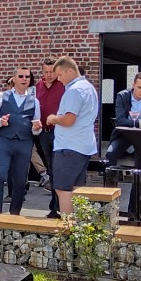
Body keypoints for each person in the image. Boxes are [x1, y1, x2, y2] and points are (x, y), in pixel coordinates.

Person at [46, 56, 99, 216]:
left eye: (60, 75)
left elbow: (69, 119)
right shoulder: (89, 87)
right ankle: (78, 229)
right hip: (83, 145)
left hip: (69, 146)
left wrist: (53, 118)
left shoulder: (74, 90)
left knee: (62, 189)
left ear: (70, 70)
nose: (59, 79)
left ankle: (68, 228)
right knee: (77, 189)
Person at [0, 67, 42, 215]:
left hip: (24, 143)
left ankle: (15, 213)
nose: (24, 79)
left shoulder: (35, 101)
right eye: (21, 76)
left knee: (20, 181)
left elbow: (36, 128)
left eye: (27, 76)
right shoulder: (1, 97)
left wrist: (37, 128)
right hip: (4, 141)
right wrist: (0, 122)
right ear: (14, 79)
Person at [105, 72, 141, 166]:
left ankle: (140, 180)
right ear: (133, 85)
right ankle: (111, 180)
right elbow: (120, 121)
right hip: (125, 134)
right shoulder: (122, 96)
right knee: (110, 153)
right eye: (139, 87)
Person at [36, 57, 65, 210]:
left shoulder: (62, 85)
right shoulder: (38, 86)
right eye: (46, 72)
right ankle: (54, 204)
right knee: (50, 168)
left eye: (51, 72)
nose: (49, 75)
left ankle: (58, 205)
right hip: (43, 134)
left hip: (59, 132)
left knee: (57, 168)